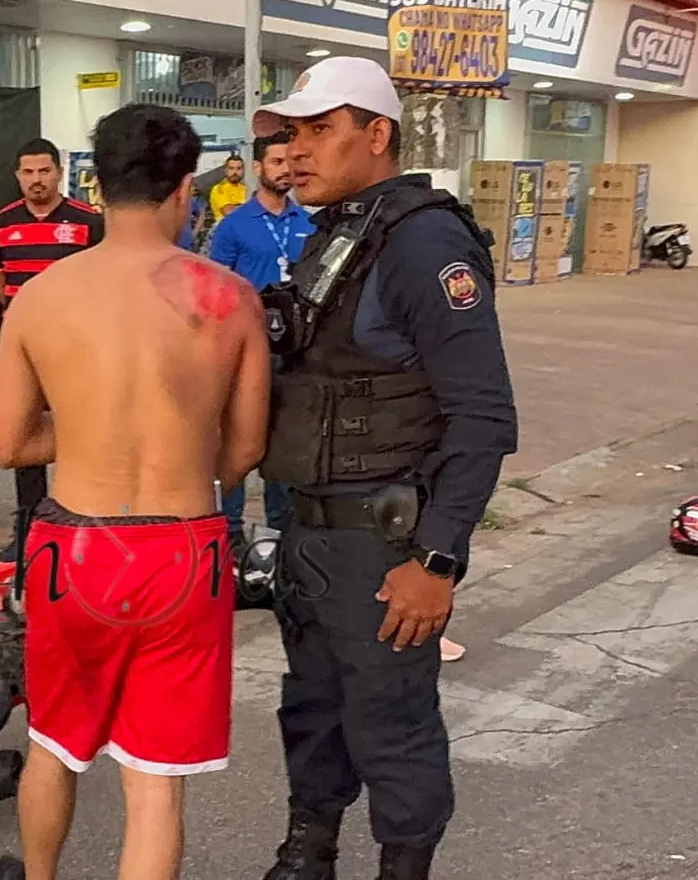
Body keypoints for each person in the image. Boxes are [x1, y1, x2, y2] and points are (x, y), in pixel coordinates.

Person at [250, 56, 518, 880]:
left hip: (384, 547)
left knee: (390, 722)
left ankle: (402, 869)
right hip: (312, 535)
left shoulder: (422, 240)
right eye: (291, 134)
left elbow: (483, 415)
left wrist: (436, 559)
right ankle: (309, 852)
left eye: (320, 131)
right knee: (314, 709)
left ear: (377, 135)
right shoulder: (340, 232)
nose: (298, 151)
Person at [0, 104, 270, 880]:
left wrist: (83, 433)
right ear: (185, 189)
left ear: (96, 186)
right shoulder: (231, 299)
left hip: (72, 550)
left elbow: (9, 443)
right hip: (184, 555)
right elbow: (242, 454)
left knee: (54, 742)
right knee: (152, 789)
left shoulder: (40, 296)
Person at [0, 138, 104, 566]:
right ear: (18, 176)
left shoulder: (88, 221)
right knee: (25, 440)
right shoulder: (2, 224)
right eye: (28, 172)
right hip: (26, 353)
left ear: (58, 172)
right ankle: (29, 529)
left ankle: (84, 524)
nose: (37, 180)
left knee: (82, 437)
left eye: (44, 171)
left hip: (78, 351)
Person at [208, 132, 313, 552]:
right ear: (257, 168)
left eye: (289, 162)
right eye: (275, 162)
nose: (285, 170)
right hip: (246, 352)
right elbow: (215, 288)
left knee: (283, 442)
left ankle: (279, 536)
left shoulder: (308, 223)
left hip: (295, 354)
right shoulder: (234, 225)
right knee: (238, 438)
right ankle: (230, 535)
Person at [207, 153, 249, 225]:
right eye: (231, 168)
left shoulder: (246, 188)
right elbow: (229, 213)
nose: (235, 172)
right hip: (225, 227)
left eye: (239, 168)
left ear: (243, 170)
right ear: (225, 170)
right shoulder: (218, 189)